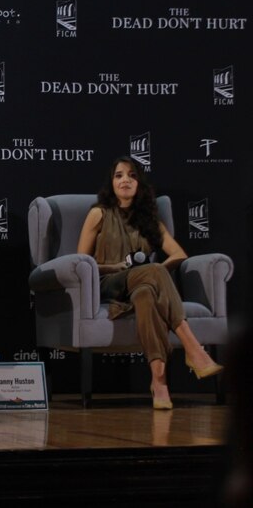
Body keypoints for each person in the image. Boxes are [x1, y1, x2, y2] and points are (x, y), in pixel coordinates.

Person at [77, 156, 223, 410]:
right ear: (111, 183)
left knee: (146, 294)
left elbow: (179, 255)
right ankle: (193, 348)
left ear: (140, 183)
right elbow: (80, 261)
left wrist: (156, 273)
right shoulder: (98, 214)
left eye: (132, 176)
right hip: (107, 283)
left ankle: (159, 381)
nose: (125, 180)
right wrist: (116, 267)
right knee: (152, 273)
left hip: (140, 284)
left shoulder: (149, 220)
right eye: (119, 175)